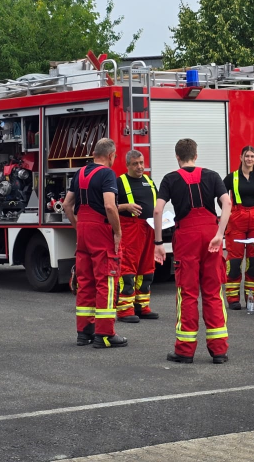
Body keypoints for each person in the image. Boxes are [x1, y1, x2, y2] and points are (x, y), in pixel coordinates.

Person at [154, 139, 232, 364]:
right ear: (196, 155)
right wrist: (220, 233)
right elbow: (227, 204)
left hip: (186, 237)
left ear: (177, 157)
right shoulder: (212, 176)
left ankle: (185, 350)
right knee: (213, 291)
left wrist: (158, 242)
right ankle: (219, 351)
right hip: (211, 235)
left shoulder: (170, 179)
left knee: (187, 293)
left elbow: (158, 211)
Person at [63, 138, 126, 349]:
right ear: (110, 155)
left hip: (83, 230)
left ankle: (84, 332)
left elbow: (67, 205)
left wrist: (77, 226)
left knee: (85, 281)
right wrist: (117, 232)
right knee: (106, 281)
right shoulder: (107, 174)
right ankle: (105, 334)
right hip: (101, 230)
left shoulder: (80, 173)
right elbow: (110, 206)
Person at [223, 145, 254, 310]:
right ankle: (233, 299)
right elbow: (220, 196)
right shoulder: (232, 177)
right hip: (237, 220)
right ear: (241, 157)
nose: (249, 159)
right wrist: (228, 212)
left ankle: (251, 299)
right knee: (234, 262)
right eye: (246, 156)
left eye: (252, 156)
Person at [115, 150, 159, 323]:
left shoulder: (149, 181)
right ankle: (125, 310)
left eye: (141, 163)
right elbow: (107, 206)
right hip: (130, 229)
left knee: (147, 268)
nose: (140, 167)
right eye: (135, 164)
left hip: (149, 228)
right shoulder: (119, 182)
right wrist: (125, 206)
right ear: (128, 165)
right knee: (127, 269)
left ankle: (142, 306)